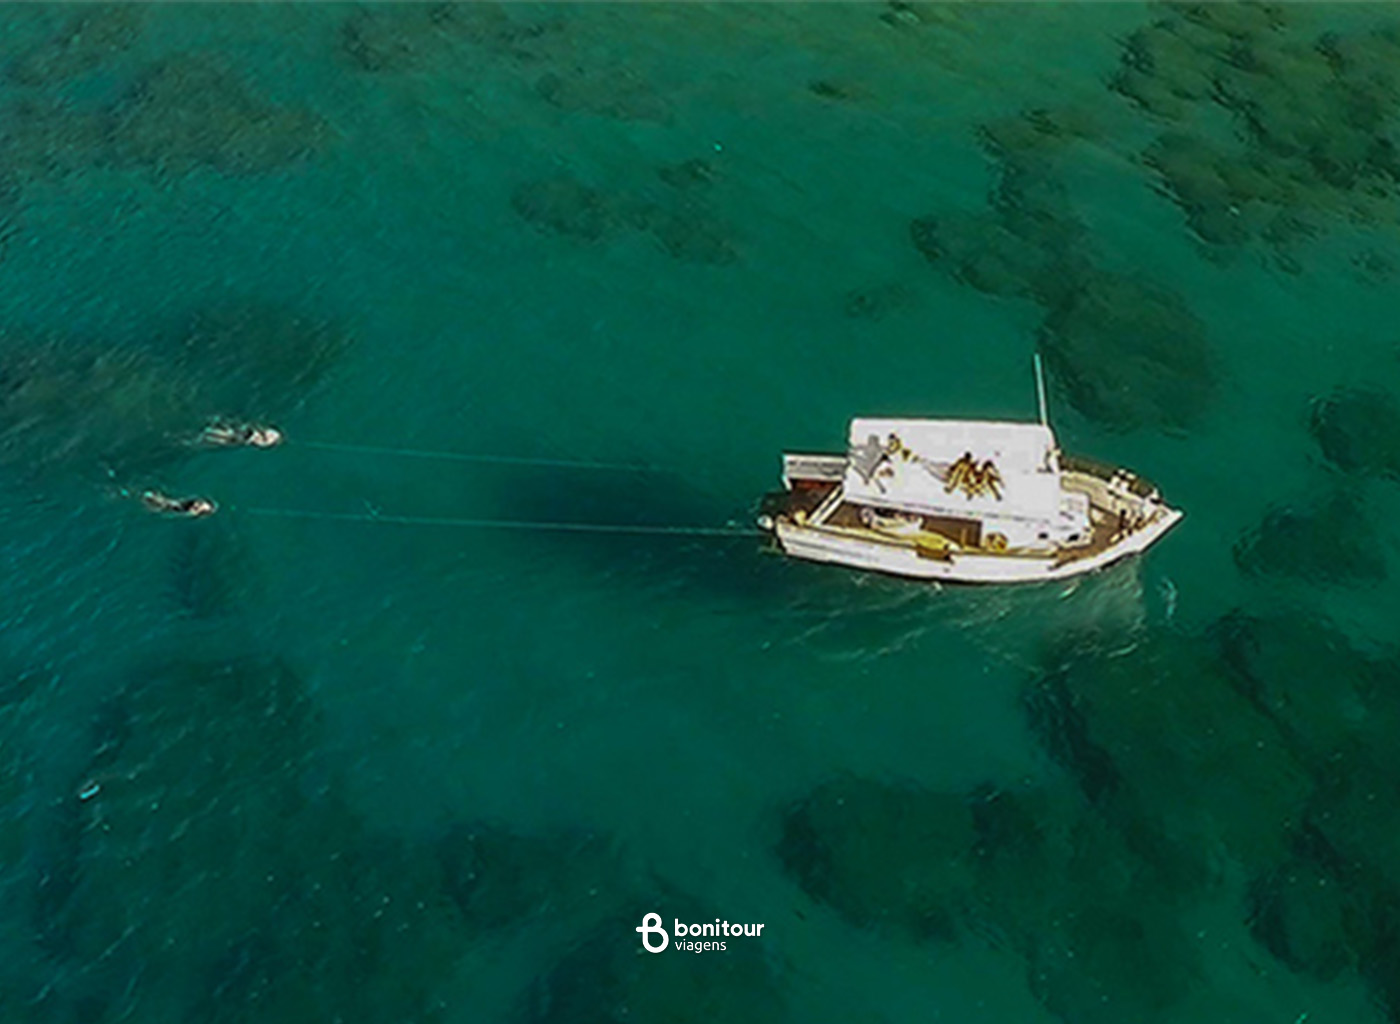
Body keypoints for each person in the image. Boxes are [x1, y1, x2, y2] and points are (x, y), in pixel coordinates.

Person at [196, 420, 283, 448]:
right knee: (224, 436)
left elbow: (259, 441)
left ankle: (207, 433)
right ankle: (207, 433)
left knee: (224, 437)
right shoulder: (268, 438)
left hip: (245, 437)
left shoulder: (267, 441)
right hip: (245, 435)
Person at [142, 490, 217, 517]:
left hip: (166, 507)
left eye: (198, 507)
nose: (196, 504)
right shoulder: (189, 502)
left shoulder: (188, 511)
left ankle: (150, 498)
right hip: (170, 504)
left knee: (165, 504)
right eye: (200, 503)